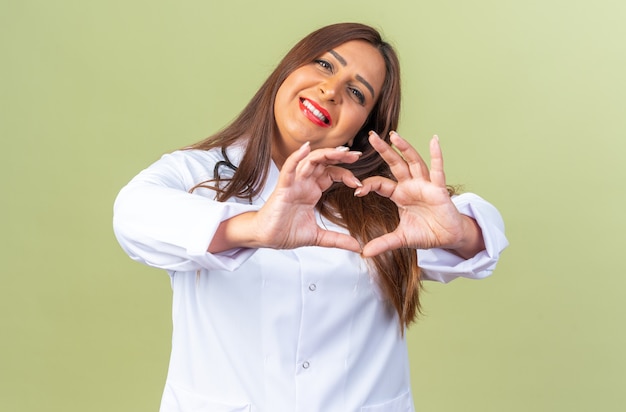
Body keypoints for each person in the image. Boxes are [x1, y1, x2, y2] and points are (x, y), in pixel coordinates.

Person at [113, 22, 508, 412]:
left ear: (362, 127)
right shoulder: (195, 173)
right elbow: (133, 214)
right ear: (288, 70)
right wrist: (253, 228)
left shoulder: (383, 205)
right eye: (324, 65)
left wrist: (457, 232)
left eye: (356, 92)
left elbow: (482, 237)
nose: (331, 90)